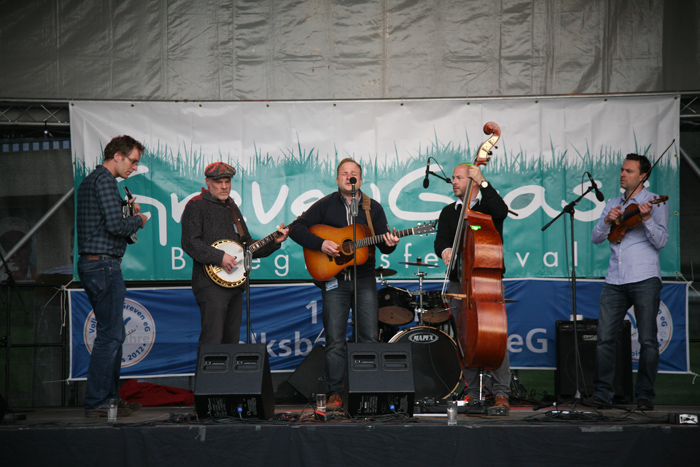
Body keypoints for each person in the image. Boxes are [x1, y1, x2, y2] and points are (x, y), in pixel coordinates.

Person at [289, 158, 400, 409]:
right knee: (335, 340)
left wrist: (391, 243)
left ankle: (367, 391)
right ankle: (335, 393)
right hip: (335, 281)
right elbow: (296, 228)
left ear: (361, 179)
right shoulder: (326, 204)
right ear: (338, 179)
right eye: (344, 173)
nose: (350, 177)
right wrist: (321, 244)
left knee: (368, 338)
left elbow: (383, 245)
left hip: (364, 280)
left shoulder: (373, 208)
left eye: (354, 173)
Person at [587, 153, 669, 411]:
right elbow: (596, 238)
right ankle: (603, 394)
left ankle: (644, 396)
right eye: (622, 170)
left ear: (642, 176)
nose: (622, 174)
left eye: (629, 171)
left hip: (645, 278)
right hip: (614, 279)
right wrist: (606, 221)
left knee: (648, 340)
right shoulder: (613, 203)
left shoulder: (654, 202)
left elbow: (661, 241)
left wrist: (647, 219)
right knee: (604, 339)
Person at [76, 135, 149, 418]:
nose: (134, 167)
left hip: (96, 265)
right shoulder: (105, 181)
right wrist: (138, 220)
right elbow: (116, 226)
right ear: (117, 156)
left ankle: (111, 400)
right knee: (110, 336)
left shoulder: (92, 180)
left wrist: (127, 212)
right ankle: (98, 402)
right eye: (133, 161)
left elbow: (105, 222)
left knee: (113, 334)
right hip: (103, 265)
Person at [181, 162, 289, 347]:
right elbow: (190, 242)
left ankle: (227, 369)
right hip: (209, 285)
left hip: (235, 284)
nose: (224, 186)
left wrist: (274, 242)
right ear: (207, 182)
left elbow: (246, 245)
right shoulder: (196, 205)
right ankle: (208, 369)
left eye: (227, 182)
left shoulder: (232, 206)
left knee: (231, 343)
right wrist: (219, 257)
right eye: (219, 182)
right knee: (212, 341)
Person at [433, 162, 511, 410]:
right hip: (459, 284)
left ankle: (501, 392)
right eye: (453, 178)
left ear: (472, 181)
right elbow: (440, 241)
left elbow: (502, 211)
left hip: (487, 284)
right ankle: (473, 392)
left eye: (458, 178)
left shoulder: (487, 207)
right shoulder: (449, 212)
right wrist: (445, 250)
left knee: (495, 338)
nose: (453, 182)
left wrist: (484, 181)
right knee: (464, 340)